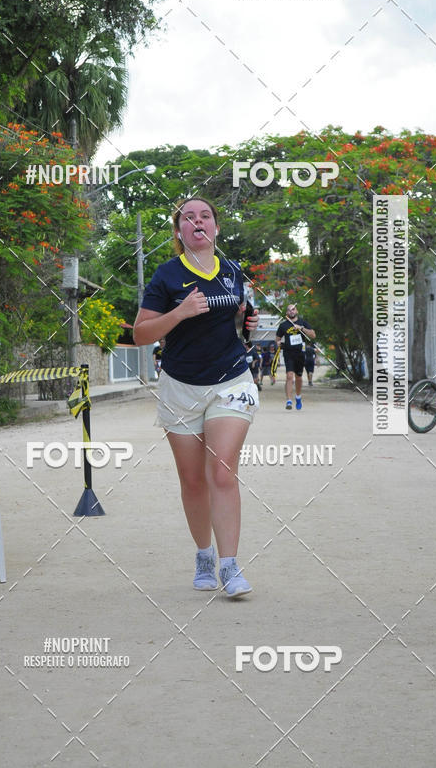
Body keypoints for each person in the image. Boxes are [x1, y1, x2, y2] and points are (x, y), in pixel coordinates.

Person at [133, 197, 259, 598]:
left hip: (231, 381)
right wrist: (180, 313)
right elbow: (141, 333)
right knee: (192, 480)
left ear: (216, 228)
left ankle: (230, 565)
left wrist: (246, 321)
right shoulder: (166, 275)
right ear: (179, 232)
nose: (198, 221)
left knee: (221, 472)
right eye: (189, 218)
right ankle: (204, 554)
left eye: (205, 216)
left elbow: (237, 316)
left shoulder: (234, 271)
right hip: (180, 385)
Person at [275, 303, 316, 410]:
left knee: (298, 377)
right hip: (288, 353)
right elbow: (278, 338)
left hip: (300, 353)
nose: (291, 311)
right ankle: (289, 401)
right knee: (289, 376)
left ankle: (298, 396)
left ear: (296, 311)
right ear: (287, 313)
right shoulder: (283, 325)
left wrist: (301, 328)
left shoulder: (302, 322)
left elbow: (313, 335)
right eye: (289, 310)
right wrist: (279, 343)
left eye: (293, 309)